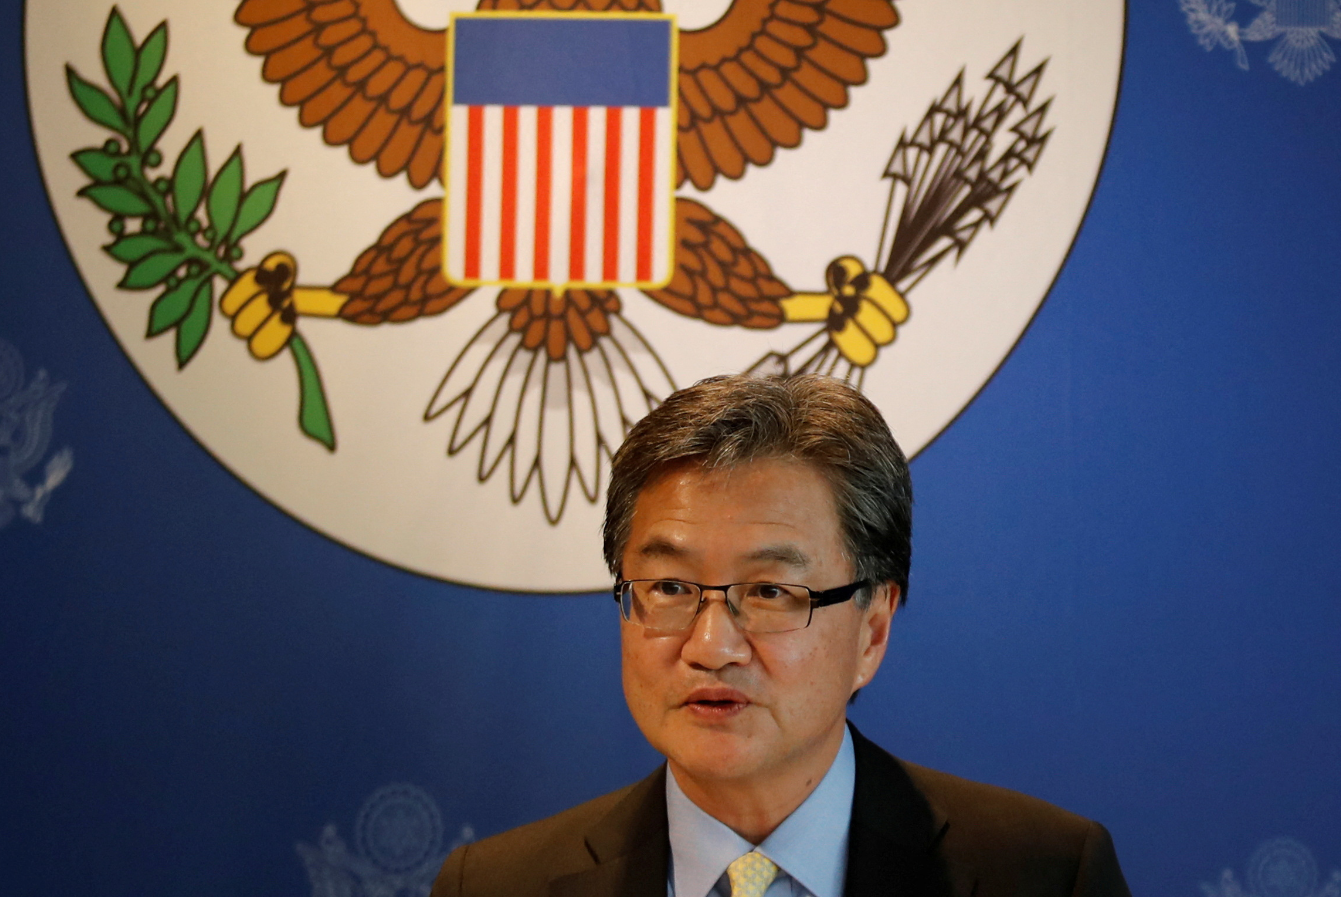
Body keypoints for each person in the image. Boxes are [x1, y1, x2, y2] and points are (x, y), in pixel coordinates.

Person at [432, 373, 1131, 897]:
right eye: (670, 587)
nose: (710, 647)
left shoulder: (1045, 874)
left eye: (769, 592)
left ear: (873, 630)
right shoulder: (494, 885)